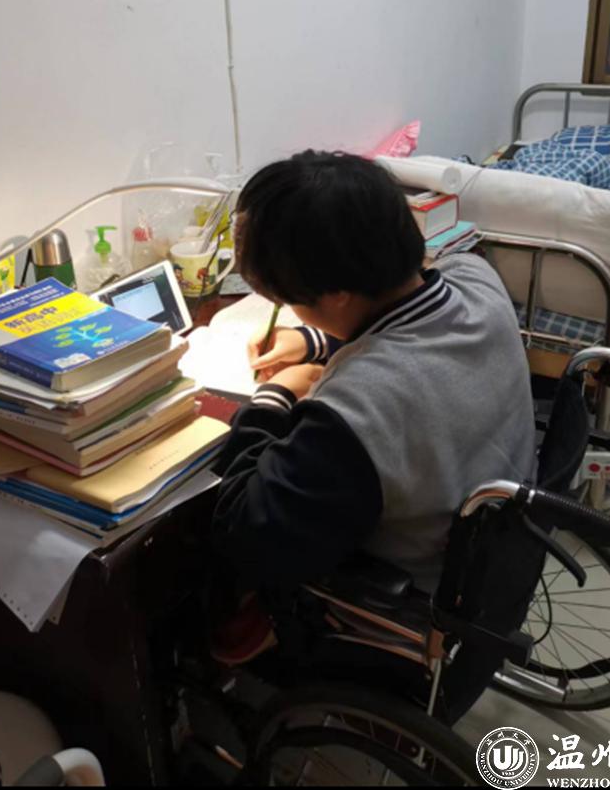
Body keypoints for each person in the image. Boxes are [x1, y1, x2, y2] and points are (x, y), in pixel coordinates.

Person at [209, 149, 536, 664]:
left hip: (407, 602)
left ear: (337, 293)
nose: (291, 311)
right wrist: (313, 342)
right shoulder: (477, 279)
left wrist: (276, 396)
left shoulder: (357, 412)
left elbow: (249, 530)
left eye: (290, 301)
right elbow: (410, 321)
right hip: (502, 547)